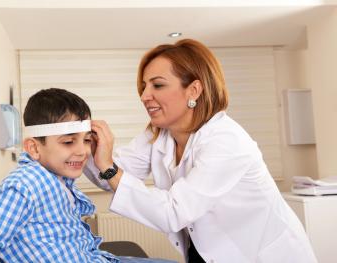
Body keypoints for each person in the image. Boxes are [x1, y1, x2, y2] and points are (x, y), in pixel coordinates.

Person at [85, 39, 318, 263]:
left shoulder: (226, 140)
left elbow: (172, 212)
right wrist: (82, 147)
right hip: (205, 252)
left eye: (157, 85)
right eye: (144, 86)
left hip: (258, 255)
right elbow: (111, 180)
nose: (145, 96)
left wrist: (108, 167)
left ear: (194, 90)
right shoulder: (158, 134)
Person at [0, 88, 176, 263]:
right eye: (68, 141)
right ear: (34, 148)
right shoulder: (23, 186)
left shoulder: (58, 179)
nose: (82, 151)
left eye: (87, 140)